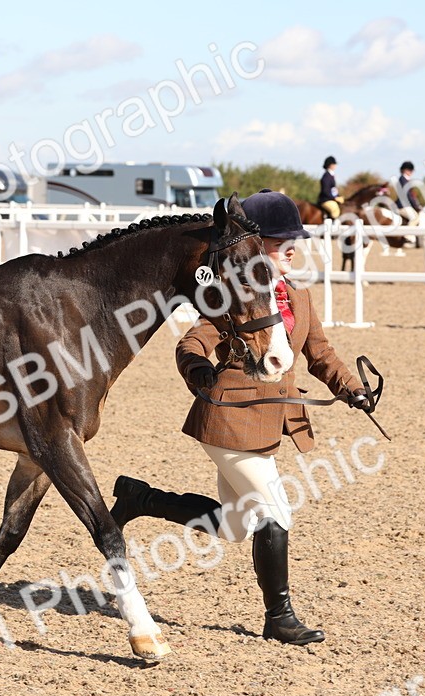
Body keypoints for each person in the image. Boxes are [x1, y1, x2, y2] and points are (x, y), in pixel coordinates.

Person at [109, 189, 374, 646]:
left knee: (235, 526)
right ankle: (279, 617)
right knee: (276, 512)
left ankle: (140, 499)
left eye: (293, 240)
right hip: (229, 418)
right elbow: (191, 343)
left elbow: (319, 352)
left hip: (269, 423)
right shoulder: (232, 297)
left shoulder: (299, 295)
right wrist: (199, 373)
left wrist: (352, 389)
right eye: (279, 242)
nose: (291, 248)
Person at [395, 160, 422, 225]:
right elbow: (408, 195)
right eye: (410, 170)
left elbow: (412, 195)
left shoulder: (405, 180)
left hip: (406, 206)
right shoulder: (403, 179)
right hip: (403, 206)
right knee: (415, 218)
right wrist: (416, 206)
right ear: (405, 170)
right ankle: (409, 234)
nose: (411, 172)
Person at [318, 156, 341, 220]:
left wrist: (338, 196)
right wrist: (334, 198)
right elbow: (325, 190)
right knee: (335, 210)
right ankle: (333, 227)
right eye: (334, 164)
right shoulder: (326, 176)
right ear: (330, 165)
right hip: (325, 199)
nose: (335, 165)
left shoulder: (331, 175)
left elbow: (333, 189)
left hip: (331, 198)